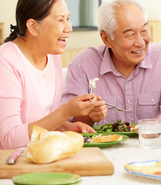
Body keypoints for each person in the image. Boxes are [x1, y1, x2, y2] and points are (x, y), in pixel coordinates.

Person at [61, 0, 161, 138]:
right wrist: (89, 116)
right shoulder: (82, 65)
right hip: (102, 152)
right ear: (106, 39)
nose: (141, 42)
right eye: (130, 34)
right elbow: (68, 123)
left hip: (152, 148)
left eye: (144, 30)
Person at [0, 0, 98, 149]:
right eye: (61, 20)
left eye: (68, 19)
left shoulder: (52, 56)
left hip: (40, 157)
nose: (69, 28)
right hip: (12, 164)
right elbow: (9, 140)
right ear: (33, 27)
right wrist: (66, 112)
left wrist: (65, 127)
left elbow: (44, 120)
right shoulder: (6, 61)